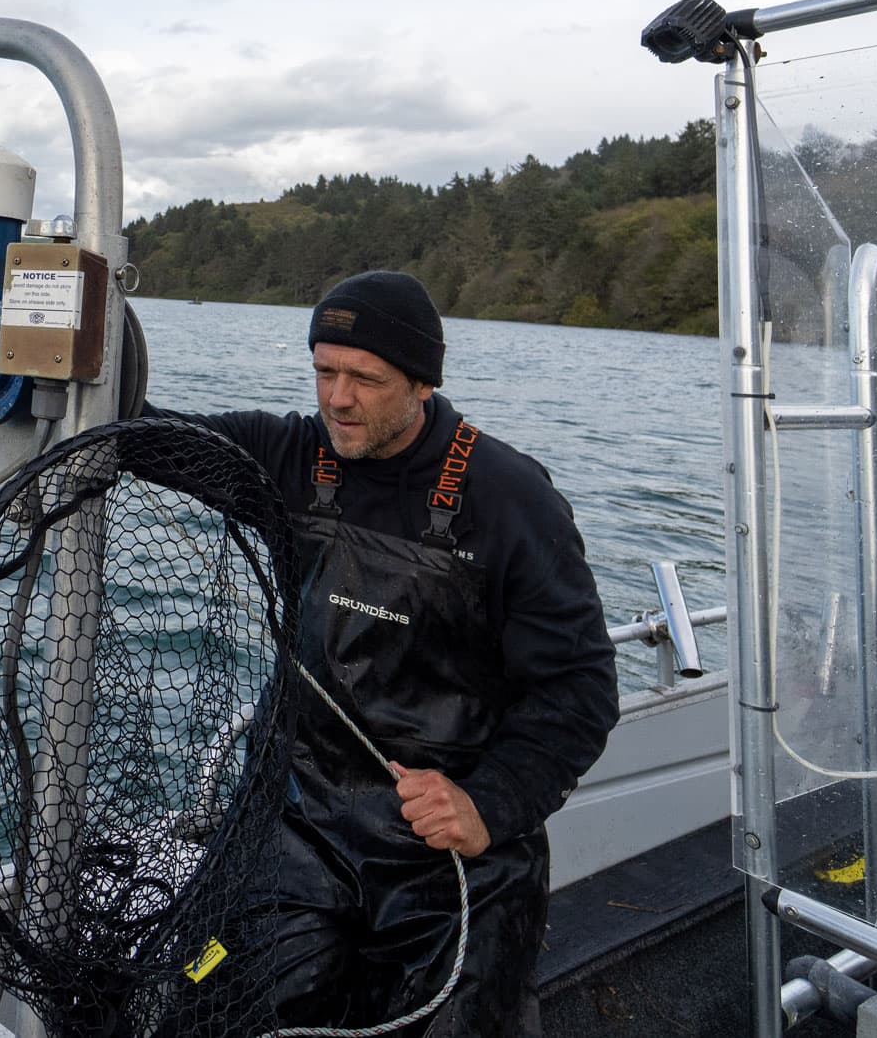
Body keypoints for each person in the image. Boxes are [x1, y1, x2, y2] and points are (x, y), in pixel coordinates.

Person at [161, 270, 618, 1036]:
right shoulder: (292, 454)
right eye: (324, 370)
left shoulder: (511, 498)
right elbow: (156, 439)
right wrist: (63, 364)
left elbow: (581, 690)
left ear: (420, 383)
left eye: (364, 379)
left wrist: (488, 802)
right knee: (214, 1005)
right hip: (303, 824)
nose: (337, 398)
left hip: (453, 853)